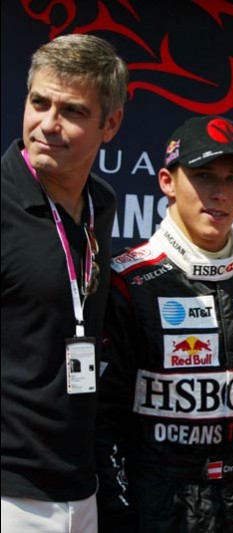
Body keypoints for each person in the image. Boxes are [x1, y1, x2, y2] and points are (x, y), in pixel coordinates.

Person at [95, 115, 233, 533]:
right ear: (167, 181)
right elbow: (101, 422)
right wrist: (118, 511)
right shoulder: (128, 283)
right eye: (202, 176)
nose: (218, 193)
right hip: (152, 503)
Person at [1, 34, 126, 532]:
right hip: (9, 491)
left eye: (71, 111)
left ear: (110, 124)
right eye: (38, 103)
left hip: (81, 485)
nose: (47, 125)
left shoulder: (102, 202)